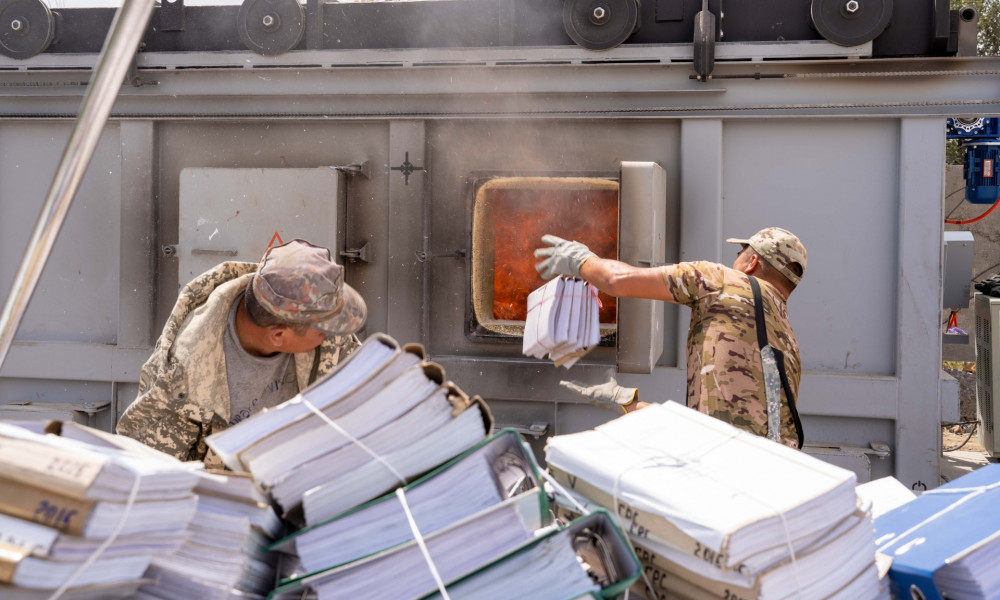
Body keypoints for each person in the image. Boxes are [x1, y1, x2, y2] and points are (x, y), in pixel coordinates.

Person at [535, 227, 807, 449]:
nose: (734, 259)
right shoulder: (789, 346)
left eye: (740, 252)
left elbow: (617, 280)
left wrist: (580, 260)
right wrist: (627, 402)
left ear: (752, 262)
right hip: (768, 478)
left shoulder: (721, 280)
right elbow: (719, 428)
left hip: (719, 471)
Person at [117, 239, 367, 467]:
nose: (335, 336)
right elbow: (149, 474)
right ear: (278, 335)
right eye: (323, 331)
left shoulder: (307, 317)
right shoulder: (181, 383)